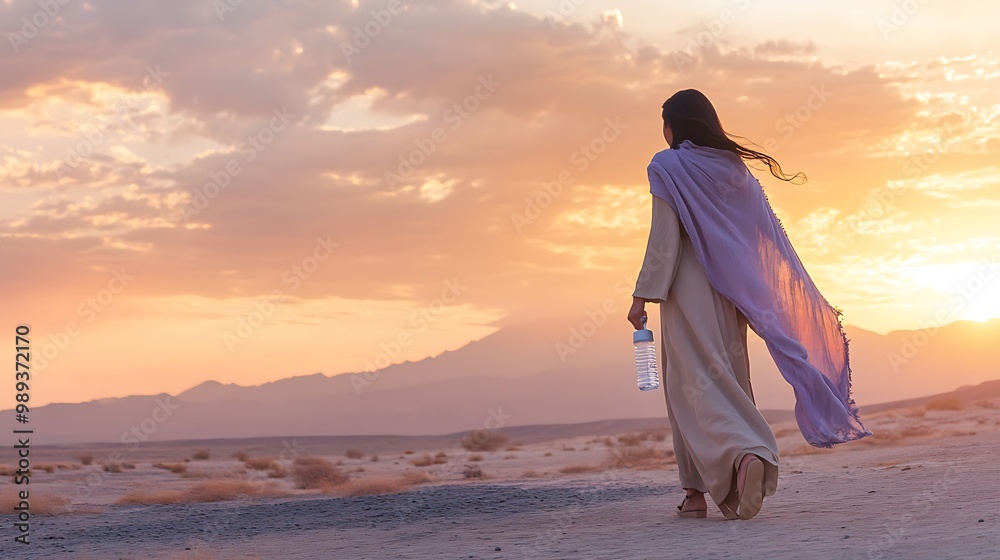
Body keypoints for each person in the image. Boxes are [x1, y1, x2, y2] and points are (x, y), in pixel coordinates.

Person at [627, 89, 870, 521]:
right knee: (728, 377)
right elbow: (757, 237)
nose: (662, 131)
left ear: (675, 124)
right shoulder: (732, 167)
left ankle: (744, 457)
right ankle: (700, 491)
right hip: (732, 286)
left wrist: (641, 294)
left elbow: (664, 236)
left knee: (690, 384)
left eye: (663, 122)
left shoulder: (666, 165)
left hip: (687, 285)